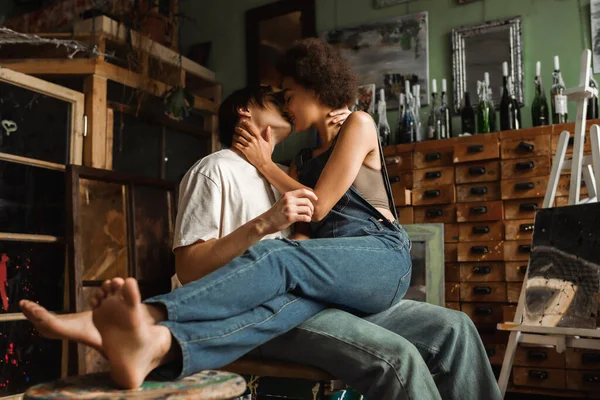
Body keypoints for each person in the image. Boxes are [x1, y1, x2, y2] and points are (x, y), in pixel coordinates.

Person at [19, 39, 501, 399]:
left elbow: (320, 210)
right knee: (449, 329)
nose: (287, 101)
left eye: (290, 92)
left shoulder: (346, 130)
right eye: (280, 96)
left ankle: (148, 320)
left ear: (316, 87)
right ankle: (151, 338)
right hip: (326, 278)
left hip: (374, 257)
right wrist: (275, 198)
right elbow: (299, 229)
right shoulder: (258, 166)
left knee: (284, 258)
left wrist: (267, 169)